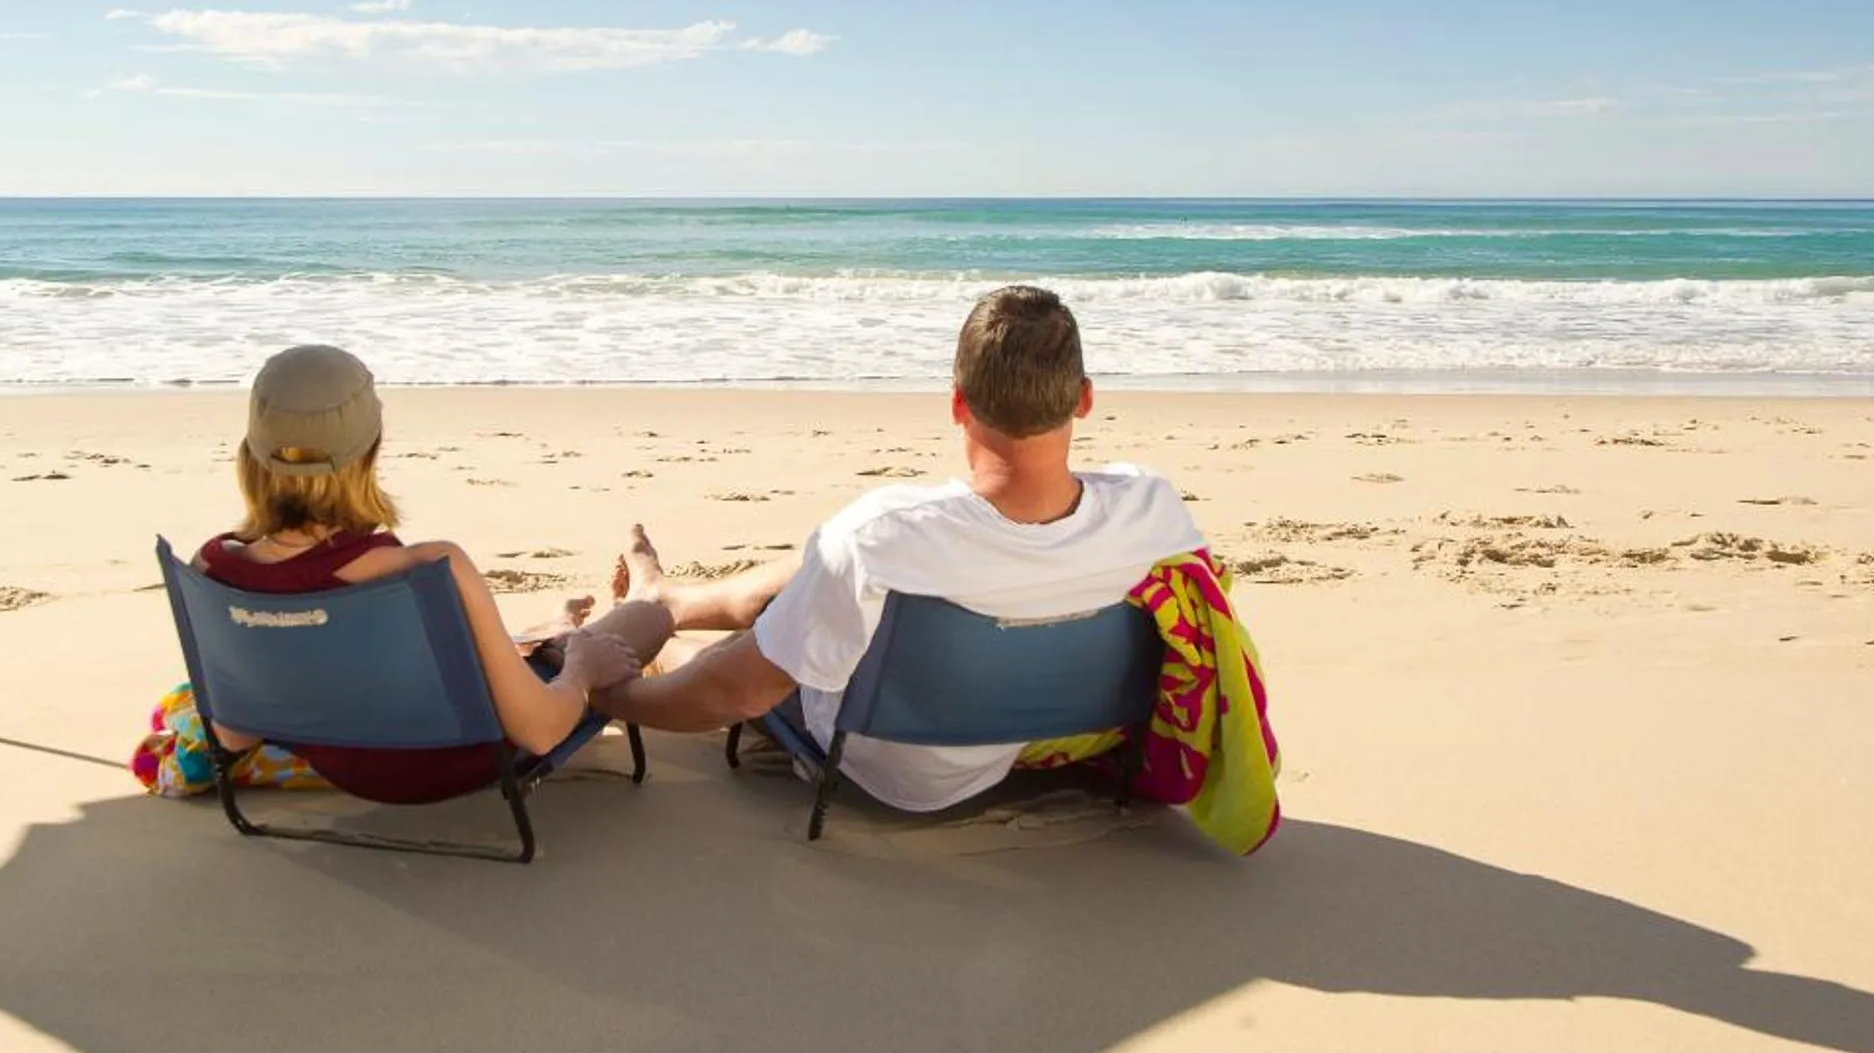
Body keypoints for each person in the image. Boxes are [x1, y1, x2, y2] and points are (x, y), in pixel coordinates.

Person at [594, 285, 1203, 814]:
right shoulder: (1153, 510)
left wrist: (605, 695)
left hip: (895, 767)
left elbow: (736, 693)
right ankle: (672, 599)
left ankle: (662, 629)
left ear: (957, 403)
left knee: (761, 642)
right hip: (1045, 733)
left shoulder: (883, 533)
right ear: (1085, 398)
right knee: (826, 571)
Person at [196, 343, 671, 801]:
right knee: (650, 615)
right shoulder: (428, 569)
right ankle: (610, 618)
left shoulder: (214, 570)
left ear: (251, 453)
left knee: (528, 648)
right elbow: (540, 731)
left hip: (345, 766)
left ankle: (563, 630)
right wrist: (582, 674)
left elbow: (233, 736)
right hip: (459, 759)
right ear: (369, 453)